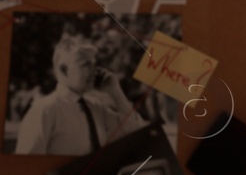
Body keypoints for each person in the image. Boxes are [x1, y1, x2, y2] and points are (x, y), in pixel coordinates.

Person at [15, 28, 147, 155]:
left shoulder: (96, 108)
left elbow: (136, 131)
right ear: (64, 70)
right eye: (85, 64)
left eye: (93, 64)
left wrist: (115, 91)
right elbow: (26, 165)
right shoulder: (45, 109)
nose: (94, 71)